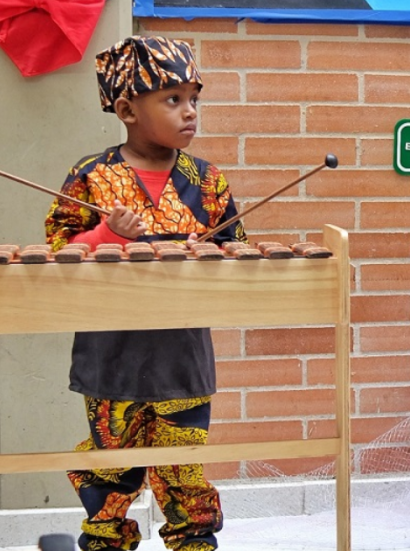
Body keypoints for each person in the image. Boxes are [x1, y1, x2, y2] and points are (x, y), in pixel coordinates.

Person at [45, 35, 247, 551]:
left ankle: (194, 540)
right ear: (127, 108)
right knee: (113, 469)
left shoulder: (208, 181)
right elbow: (59, 251)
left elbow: (237, 253)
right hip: (111, 356)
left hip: (183, 355)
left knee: (183, 468)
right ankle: (106, 541)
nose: (190, 112)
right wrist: (105, 235)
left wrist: (218, 252)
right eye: (173, 99)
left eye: (194, 99)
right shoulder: (90, 177)